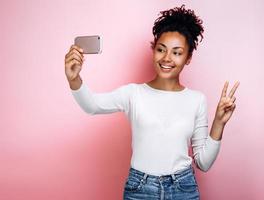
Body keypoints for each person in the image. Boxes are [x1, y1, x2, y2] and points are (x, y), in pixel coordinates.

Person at [64, 4, 239, 200]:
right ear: (153, 50)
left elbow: (204, 163)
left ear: (188, 57)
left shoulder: (196, 100)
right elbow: (92, 105)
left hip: (183, 189)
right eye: (161, 49)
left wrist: (219, 123)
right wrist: (74, 79)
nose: (167, 58)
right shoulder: (133, 94)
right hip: (140, 189)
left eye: (177, 52)